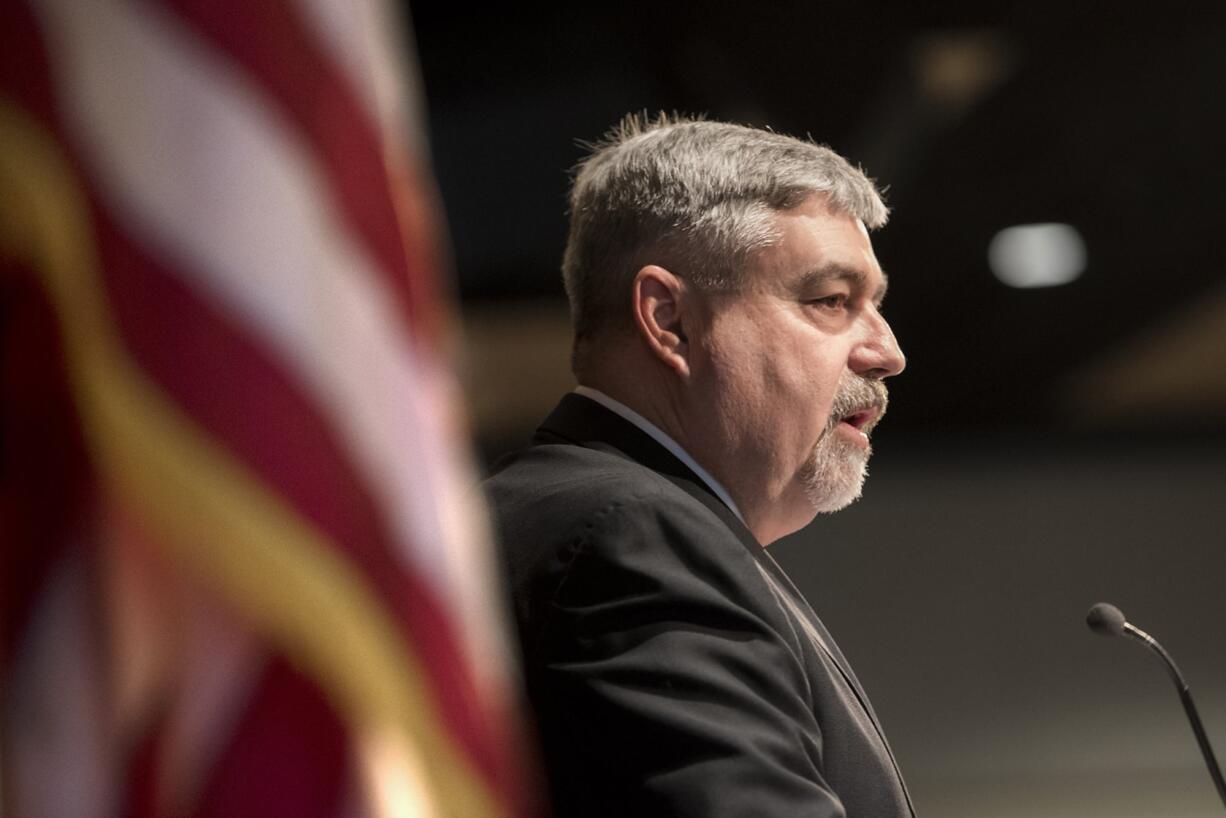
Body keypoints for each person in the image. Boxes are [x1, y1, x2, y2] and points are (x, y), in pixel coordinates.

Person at [483, 113, 913, 817]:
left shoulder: (595, 517)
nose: (887, 351)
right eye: (832, 301)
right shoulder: (633, 536)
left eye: (876, 306)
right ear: (669, 318)